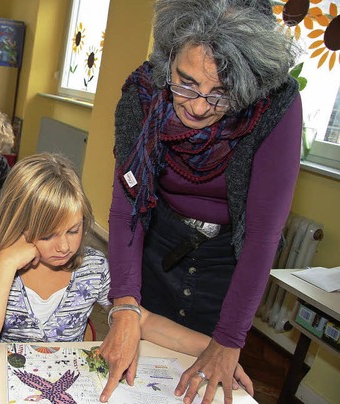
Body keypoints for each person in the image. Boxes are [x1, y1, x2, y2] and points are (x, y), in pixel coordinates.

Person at [101, 0, 301, 402]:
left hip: (227, 260)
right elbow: (128, 205)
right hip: (159, 242)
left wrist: (228, 341)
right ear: (169, 58)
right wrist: (124, 305)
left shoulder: (275, 105)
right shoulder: (143, 93)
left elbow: (262, 236)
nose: (196, 105)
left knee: (203, 379)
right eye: (186, 82)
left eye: (220, 94)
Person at [0, 153, 253, 396]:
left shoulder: (92, 266)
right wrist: (5, 264)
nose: (65, 246)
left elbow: (142, 320)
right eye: (48, 235)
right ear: (19, 226)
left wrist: (216, 349)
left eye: (74, 230)